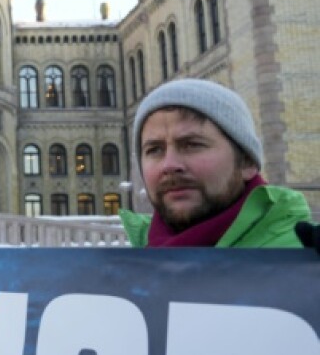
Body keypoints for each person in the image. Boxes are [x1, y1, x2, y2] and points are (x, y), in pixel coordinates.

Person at [121, 78, 310, 248]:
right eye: (154, 150)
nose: (169, 165)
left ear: (247, 161)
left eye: (192, 145)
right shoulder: (133, 262)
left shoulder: (302, 257)